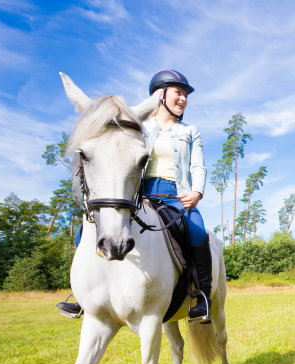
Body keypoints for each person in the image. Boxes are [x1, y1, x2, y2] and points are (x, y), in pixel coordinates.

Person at [58, 69, 214, 323]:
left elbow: (198, 165)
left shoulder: (190, 131)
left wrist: (197, 191)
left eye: (186, 95)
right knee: (82, 231)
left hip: (177, 195)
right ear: (160, 95)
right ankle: (83, 296)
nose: (184, 99)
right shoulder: (139, 125)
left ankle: (201, 296)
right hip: (142, 195)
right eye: (178, 93)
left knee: (197, 230)